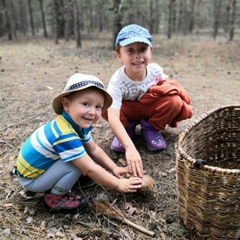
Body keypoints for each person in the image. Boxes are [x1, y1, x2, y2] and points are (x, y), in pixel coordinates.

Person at [13, 73, 143, 214]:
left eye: (98, 107)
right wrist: (118, 184)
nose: (92, 112)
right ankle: (54, 198)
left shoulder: (76, 125)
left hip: (40, 169)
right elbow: (90, 169)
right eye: (86, 104)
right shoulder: (65, 135)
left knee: (82, 157)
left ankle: (62, 178)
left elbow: (93, 149)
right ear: (67, 105)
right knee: (75, 166)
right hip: (32, 180)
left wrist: (113, 168)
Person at [102, 24, 192, 177]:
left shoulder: (155, 71)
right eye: (130, 50)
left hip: (148, 109)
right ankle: (126, 130)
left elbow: (167, 89)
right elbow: (112, 117)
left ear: (151, 52)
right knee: (104, 104)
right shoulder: (117, 81)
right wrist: (129, 147)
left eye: (143, 49)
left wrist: (165, 91)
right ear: (119, 55)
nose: (138, 55)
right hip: (127, 113)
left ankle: (150, 128)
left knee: (174, 101)